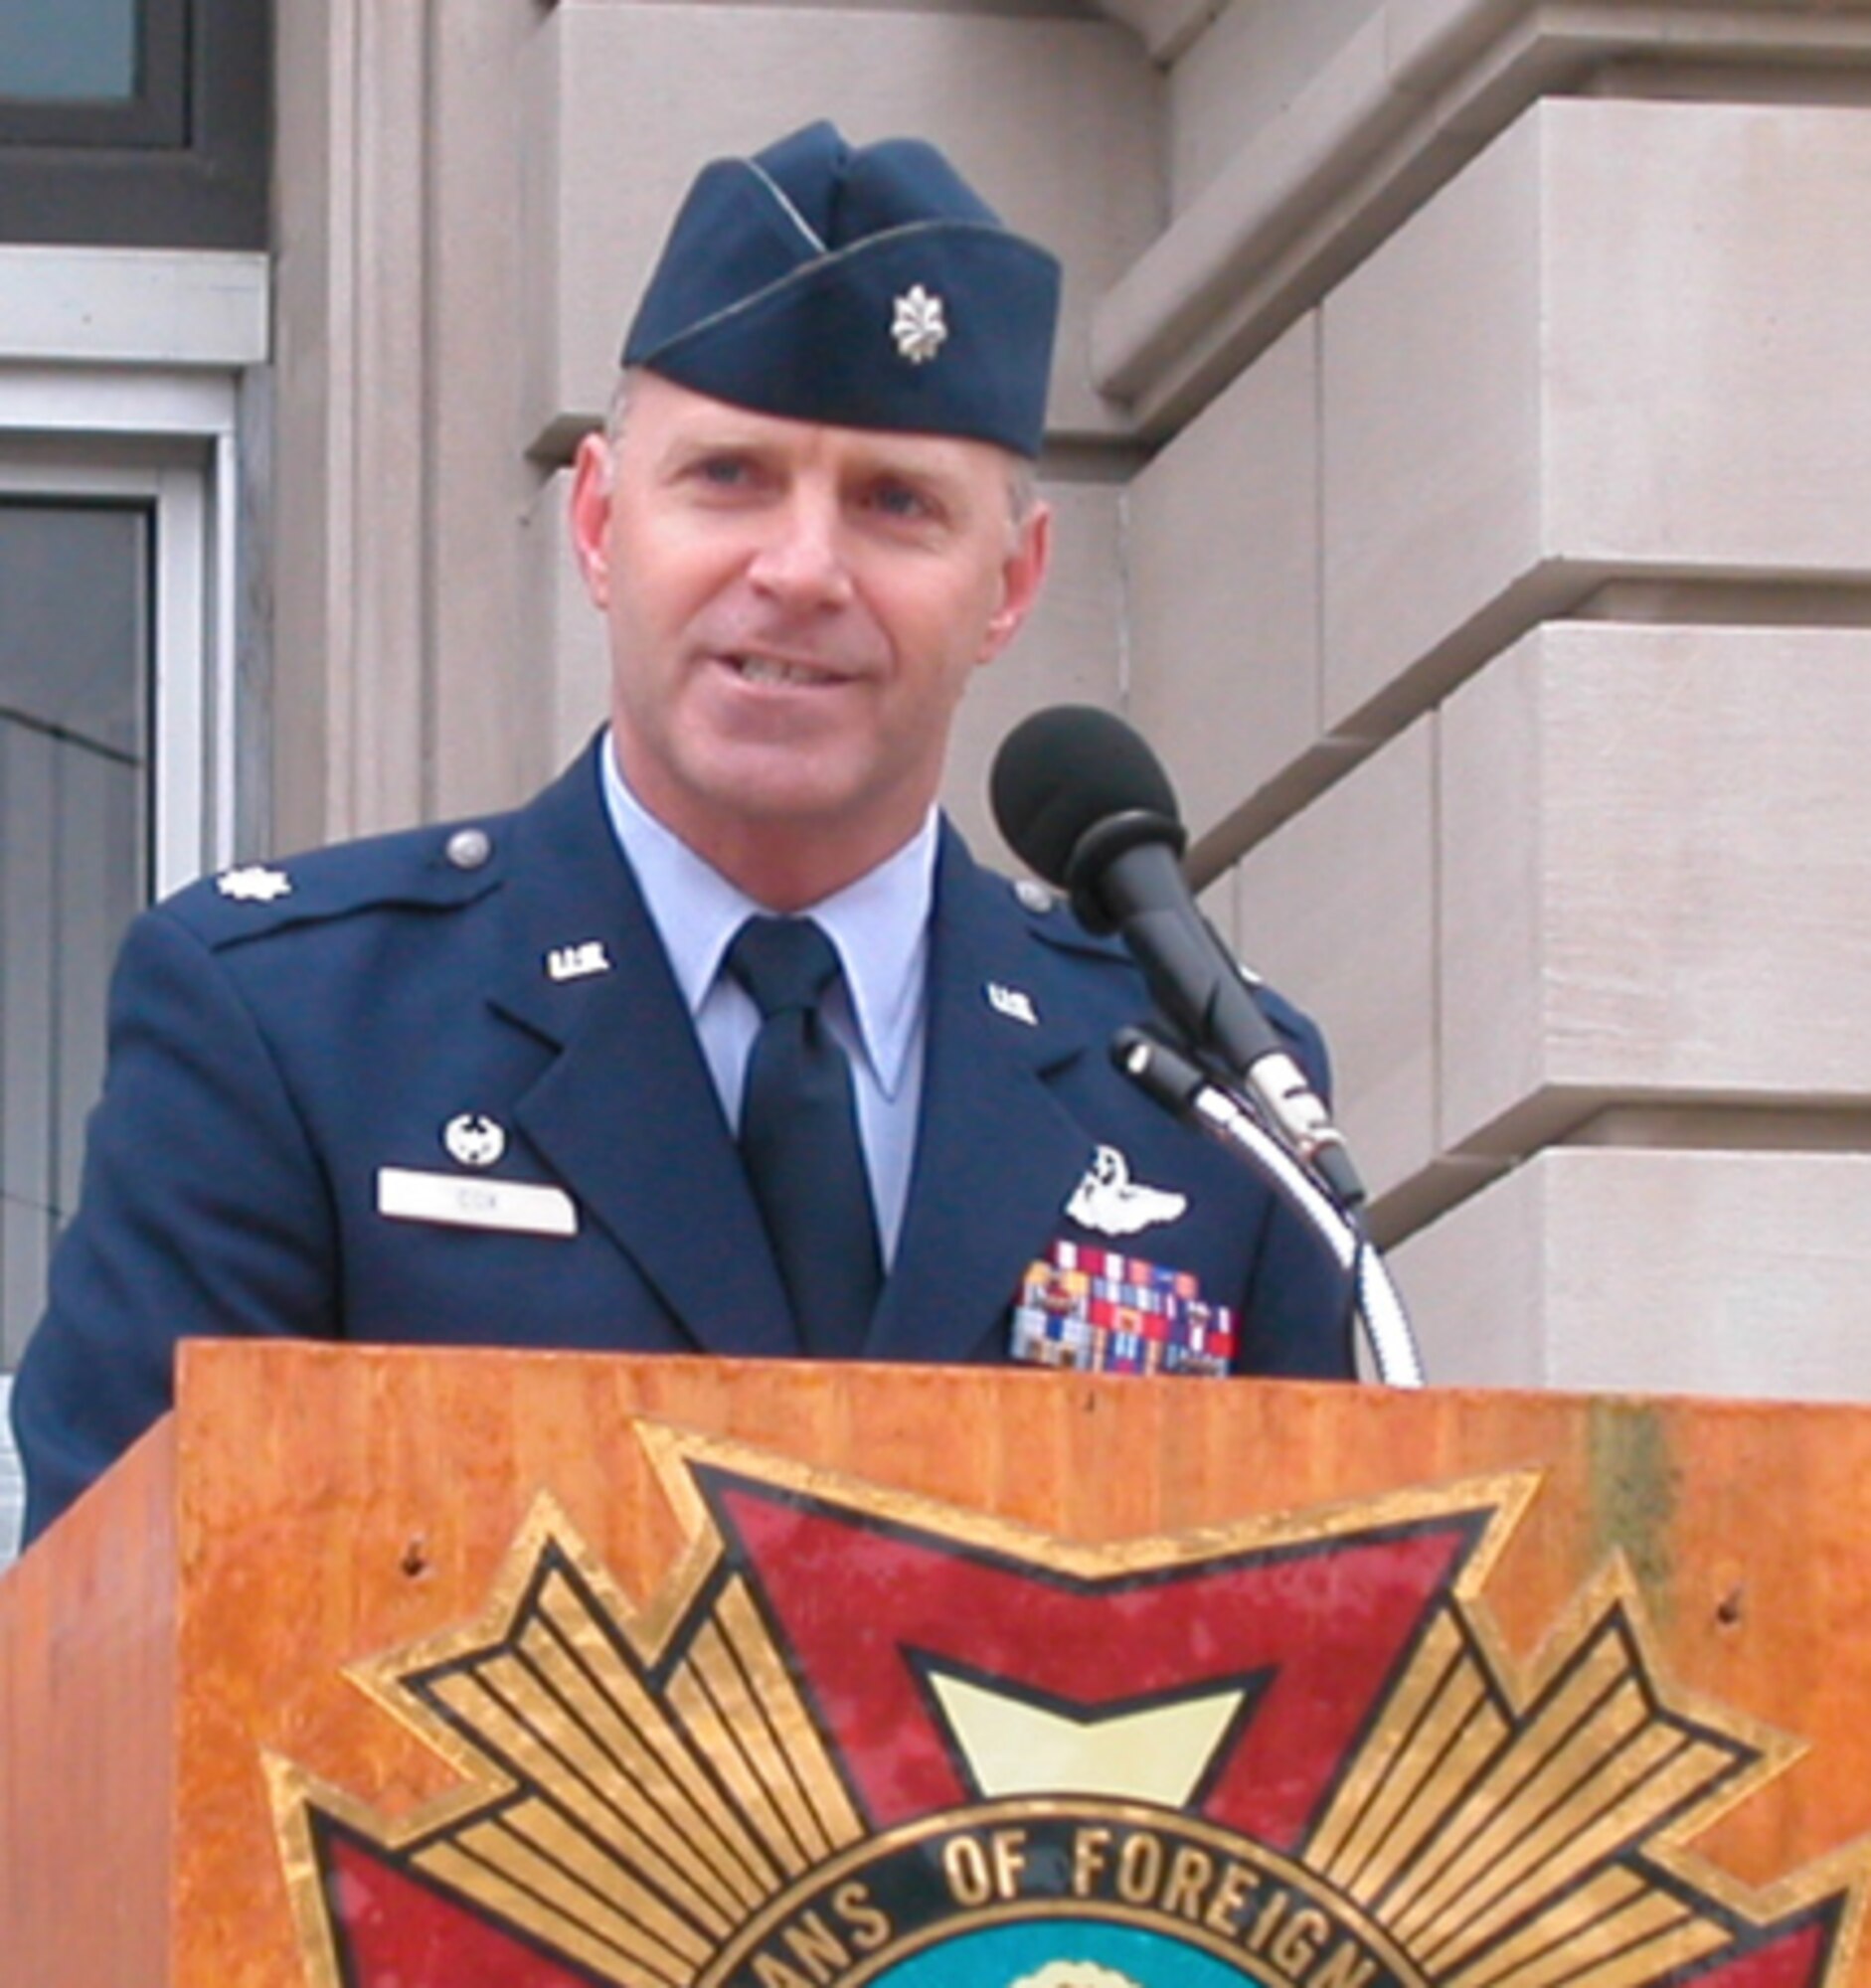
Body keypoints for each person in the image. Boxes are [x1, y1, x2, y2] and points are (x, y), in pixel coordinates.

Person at [10, 121, 1353, 1547]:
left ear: (1007, 586)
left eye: (896, 505)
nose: (798, 571)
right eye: (728, 479)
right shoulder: (295, 1029)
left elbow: (1333, 1656)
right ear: (598, 523)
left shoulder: (1201, 1102)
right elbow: (122, 1644)